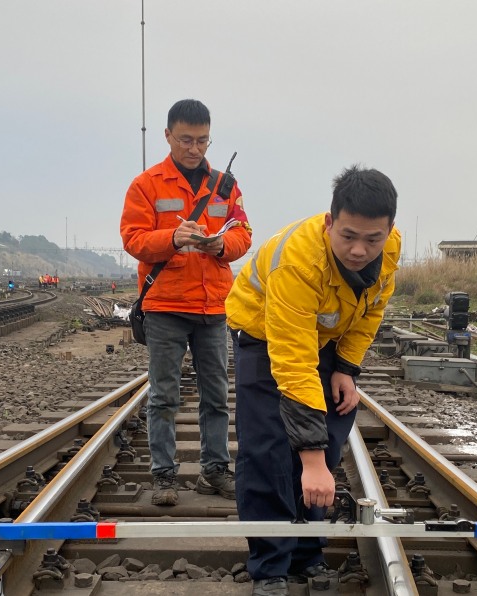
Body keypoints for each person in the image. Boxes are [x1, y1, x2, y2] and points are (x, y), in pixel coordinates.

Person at [225, 165, 400, 596]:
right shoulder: (298, 262)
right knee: (270, 449)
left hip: (324, 338)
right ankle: (269, 567)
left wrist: (346, 368)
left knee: (329, 432)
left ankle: (306, 552)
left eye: (372, 239)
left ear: (389, 231)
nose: (360, 250)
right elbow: (293, 362)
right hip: (265, 337)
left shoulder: (389, 250)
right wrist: (311, 459)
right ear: (329, 223)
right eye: (348, 236)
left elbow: (371, 310)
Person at [120, 99, 252, 506]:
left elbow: (243, 235)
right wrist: (173, 238)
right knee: (163, 395)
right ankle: (163, 476)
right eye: (186, 140)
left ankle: (214, 471)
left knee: (217, 395)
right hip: (165, 307)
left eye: (202, 140)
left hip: (213, 307)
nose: (195, 149)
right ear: (168, 136)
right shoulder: (147, 185)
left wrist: (220, 245)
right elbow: (133, 239)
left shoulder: (225, 185)